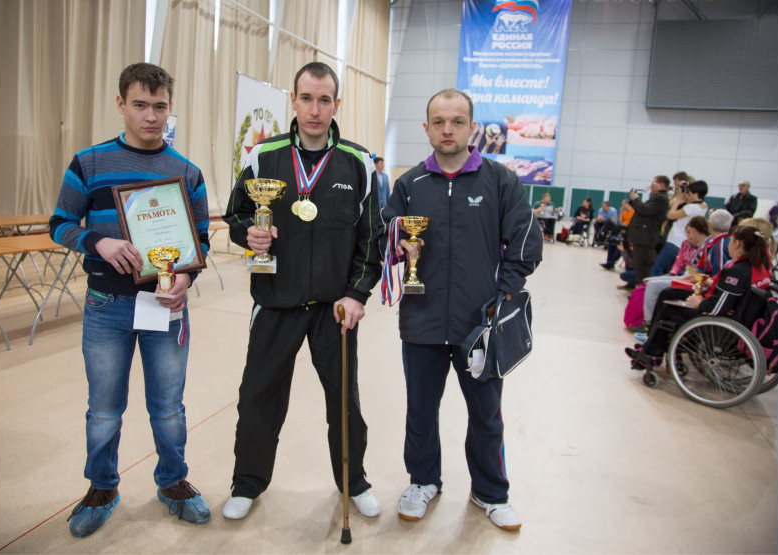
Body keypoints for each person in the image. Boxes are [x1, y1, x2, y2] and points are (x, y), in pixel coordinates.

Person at [48, 62, 212, 537]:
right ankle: (102, 487)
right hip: (106, 305)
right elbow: (59, 224)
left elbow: (200, 240)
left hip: (165, 306)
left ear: (170, 107)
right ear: (121, 104)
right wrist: (97, 241)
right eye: (140, 105)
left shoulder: (187, 172)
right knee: (103, 409)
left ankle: (173, 481)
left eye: (160, 106)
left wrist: (185, 279)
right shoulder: (89, 163)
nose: (151, 116)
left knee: (169, 407)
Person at [221, 62, 385, 521]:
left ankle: (354, 481)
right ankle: (246, 484)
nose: (315, 110)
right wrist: (248, 234)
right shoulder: (264, 156)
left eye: (324, 100)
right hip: (276, 302)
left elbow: (371, 237)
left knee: (344, 401)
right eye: (306, 99)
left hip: (335, 308)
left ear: (337, 104)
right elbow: (236, 215)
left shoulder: (357, 162)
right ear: (293, 101)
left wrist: (357, 294)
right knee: (258, 397)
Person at [380, 89, 543, 531]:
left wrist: (502, 298)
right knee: (420, 411)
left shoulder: (501, 181)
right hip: (422, 320)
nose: (447, 129)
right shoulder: (410, 184)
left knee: (486, 415)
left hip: (480, 327)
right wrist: (397, 243)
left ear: (473, 128)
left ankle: (491, 492)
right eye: (438, 121)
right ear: (427, 128)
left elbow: (527, 243)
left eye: (456, 121)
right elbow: (384, 234)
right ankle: (423, 482)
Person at [626, 225, 772, 369]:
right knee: (668, 293)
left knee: (668, 308)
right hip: (739, 318)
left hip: (722, 325)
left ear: (737, 243)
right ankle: (651, 346)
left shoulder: (737, 272)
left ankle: (652, 353)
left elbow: (717, 308)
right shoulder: (759, 267)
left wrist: (699, 303)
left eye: (731, 241)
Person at [647, 179, 708, 277]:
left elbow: (670, 215)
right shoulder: (704, 206)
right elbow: (689, 201)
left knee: (656, 269)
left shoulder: (691, 208)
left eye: (690, 193)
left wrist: (679, 197)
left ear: (696, 194)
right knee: (670, 272)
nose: (688, 196)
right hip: (683, 243)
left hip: (674, 241)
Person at [626, 175, 670, 283]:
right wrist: (634, 201)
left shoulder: (661, 199)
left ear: (662, 185)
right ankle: (639, 289)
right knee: (638, 266)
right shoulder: (656, 198)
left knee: (642, 268)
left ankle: (642, 290)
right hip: (642, 238)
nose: (651, 186)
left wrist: (636, 199)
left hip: (646, 238)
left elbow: (645, 210)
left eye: (654, 183)